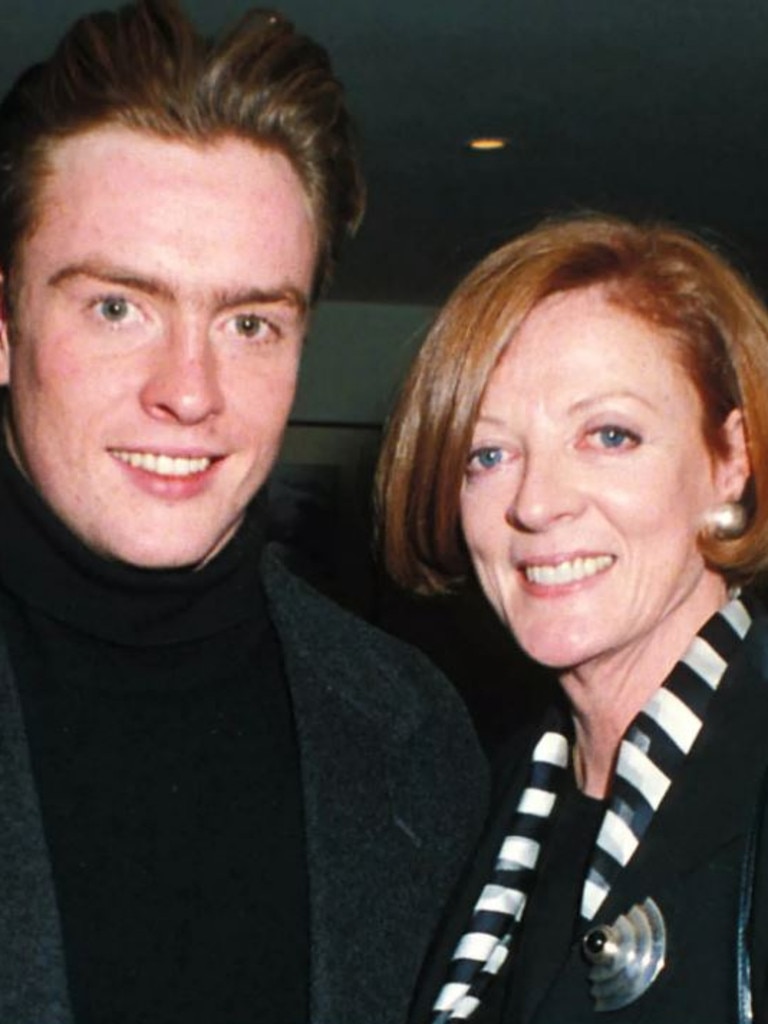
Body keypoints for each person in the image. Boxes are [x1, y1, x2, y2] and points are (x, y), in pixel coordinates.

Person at [0, 3, 489, 1022]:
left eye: (250, 321)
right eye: (118, 307)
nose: (190, 390)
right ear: (5, 328)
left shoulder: (419, 741)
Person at [377, 213, 768, 1022]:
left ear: (731, 460)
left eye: (609, 435)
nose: (536, 502)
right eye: (489, 454)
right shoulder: (473, 795)